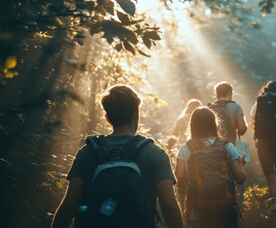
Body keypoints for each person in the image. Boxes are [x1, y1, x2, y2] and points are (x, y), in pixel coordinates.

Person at [51, 85, 183, 228]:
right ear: (136, 114)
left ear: (107, 118)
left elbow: (69, 205)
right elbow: (168, 204)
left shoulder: (87, 152)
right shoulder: (155, 154)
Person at [175, 107, 246, 228]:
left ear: (192, 125)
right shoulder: (227, 146)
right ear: (214, 123)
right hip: (226, 211)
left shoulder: (186, 148)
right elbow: (240, 178)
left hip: (197, 212)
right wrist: (241, 164)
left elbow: (178, 178)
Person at [208, 81, 248, 207]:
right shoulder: (236, 107)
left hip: (214, 149)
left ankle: (219, 204)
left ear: (216, 94)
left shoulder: (209, 109)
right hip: (233, 147)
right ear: (229, 93)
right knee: (238, 177)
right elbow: (242, 129)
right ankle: (238, 207)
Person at [167, 99, 202, 216]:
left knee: (182, 182)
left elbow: (174, 136)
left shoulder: (181, 119)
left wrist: (170, 150)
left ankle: (184, 211)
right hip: (198, 151)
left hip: (183, 151)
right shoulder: (199, 119)